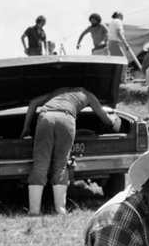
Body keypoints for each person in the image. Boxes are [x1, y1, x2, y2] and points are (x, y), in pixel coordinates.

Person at [20, 87, 121, 215]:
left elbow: (33, 102)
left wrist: (26, 127)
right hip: (67, 119)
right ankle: (60, 210)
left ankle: (34, 211)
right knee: (61, 164)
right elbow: (106, 118)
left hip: (46, 117)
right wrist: (114, 121)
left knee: (40, 165)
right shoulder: (87, 94)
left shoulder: (58, 91)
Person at [108, 12, 134, 81]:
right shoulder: (118, 21)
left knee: (115, 61)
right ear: (119, 16)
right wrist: (125, 44)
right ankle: (122, 78)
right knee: (123, 61)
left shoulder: (112, 22)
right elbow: (118, 33)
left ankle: (115, 78)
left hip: (111, 42)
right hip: (115, 42)